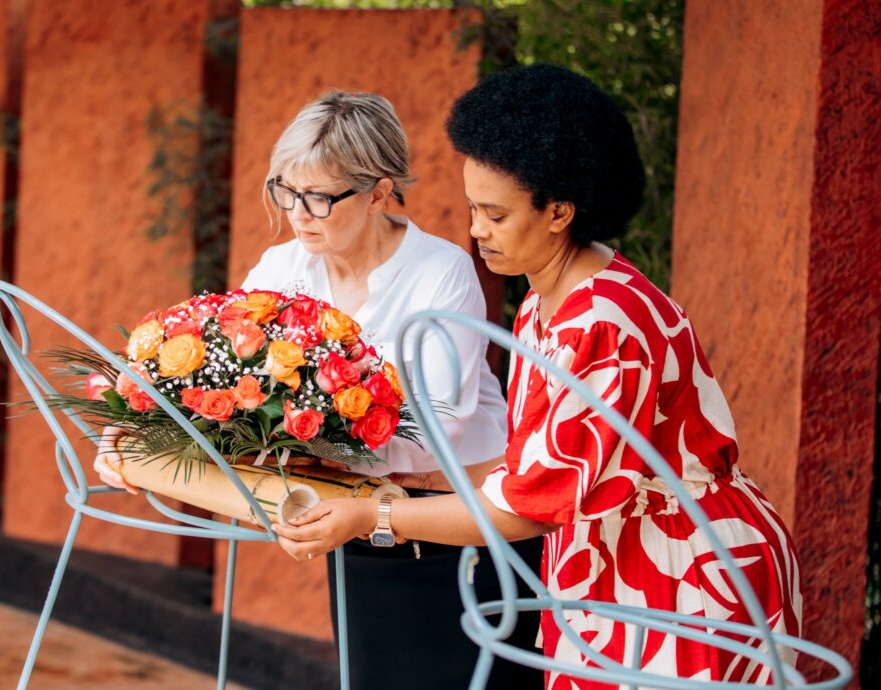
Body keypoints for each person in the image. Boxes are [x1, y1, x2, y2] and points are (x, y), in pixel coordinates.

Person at [274, 66, 802, 687]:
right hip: (608, 557)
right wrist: (415, 479)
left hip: (679, 569)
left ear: (559, 212)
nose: (476, 229)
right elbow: (536, 463)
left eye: (495, 215)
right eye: (474, 208)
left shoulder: (601, 322)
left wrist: (373, 517)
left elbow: (528, 508)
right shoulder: (543, 301)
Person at [95, 90, 544, 690]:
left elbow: (437, 430)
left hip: (455, 533)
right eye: (285, 191)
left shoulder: (441, 273)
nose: (298, 213)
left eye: (320, 198)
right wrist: (149, 429)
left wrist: (297, 452)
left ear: (379, 193)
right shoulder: (282, 269)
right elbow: (220, 381)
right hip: (354, 521)